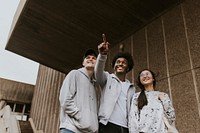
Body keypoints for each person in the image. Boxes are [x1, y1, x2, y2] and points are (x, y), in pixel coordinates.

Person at [95, 34, 135, 133]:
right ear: (114, 66)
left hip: (126, 127)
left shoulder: (131, 87)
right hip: (108, 124)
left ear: (128, 68)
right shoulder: (107, 78)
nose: (120, 64)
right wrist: (102, 55)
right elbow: (98, 72)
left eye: (123, 62)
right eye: (117, 62)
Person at [59, 49, 99, 133]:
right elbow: (65, 99)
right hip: (71, 129)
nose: (91, 59)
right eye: (88, 57)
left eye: (94, 58)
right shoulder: (74, 74)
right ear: (83, 63)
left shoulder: (94, 86)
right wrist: (80, 117)